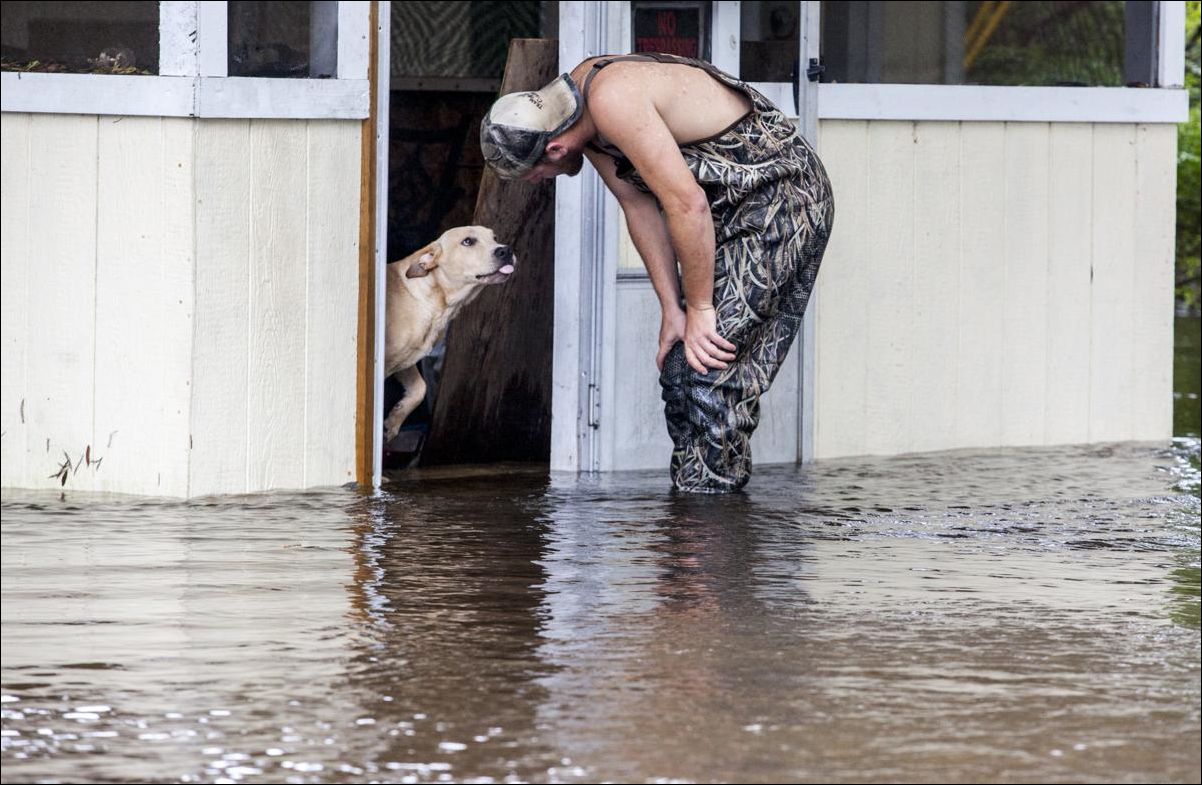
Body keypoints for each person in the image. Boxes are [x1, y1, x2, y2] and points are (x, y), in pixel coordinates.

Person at [480, 52, 834, 494]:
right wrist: (672, 308)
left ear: (554, 148)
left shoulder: (611, 100)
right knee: (678, 370)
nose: (539, 181)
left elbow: (687, 204)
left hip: (782, 200)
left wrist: (701, 307)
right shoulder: (576, 115)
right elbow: (638, 204)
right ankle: (692, 518)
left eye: (535, 175)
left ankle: (709, 532)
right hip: (727, 213)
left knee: (707, 370)